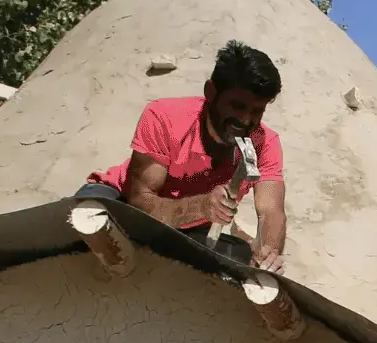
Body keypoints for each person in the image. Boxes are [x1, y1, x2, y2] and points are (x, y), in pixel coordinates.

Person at [79, 40, 290, 272]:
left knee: (238, 262)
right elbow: (139, 203)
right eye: (238, 106)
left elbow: (271, 211)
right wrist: (201, 207)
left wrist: (269, 253)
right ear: (210, 92)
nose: (246, 120)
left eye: (257, 111)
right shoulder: (165, 118)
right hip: (121, 202)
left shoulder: (265, 143)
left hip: (188, 227)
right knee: (86, 218)